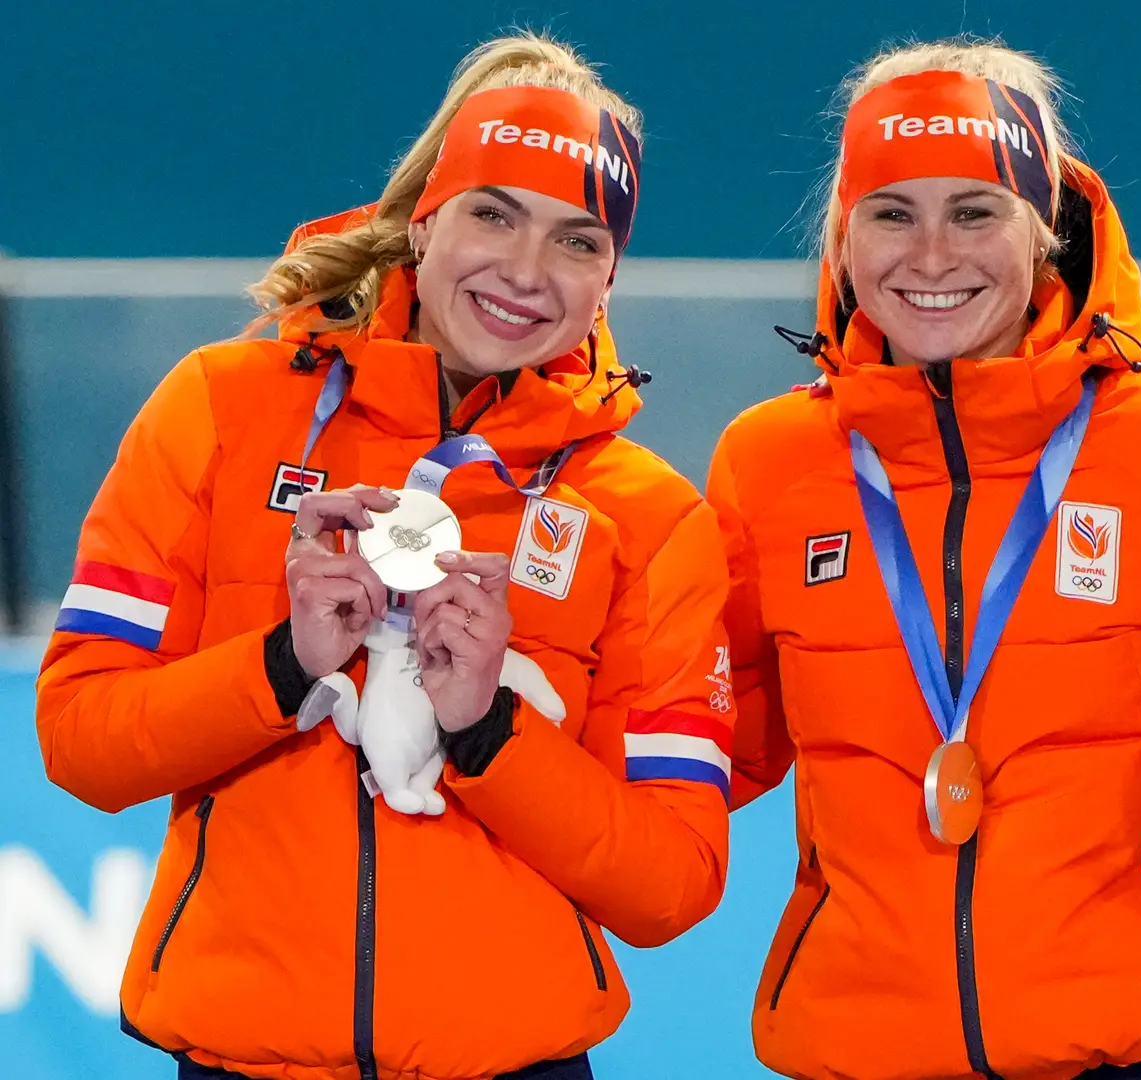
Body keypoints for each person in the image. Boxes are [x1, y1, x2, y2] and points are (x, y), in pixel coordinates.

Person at [36, 34, 731, 1080]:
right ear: (424, 220)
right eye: (493, 213)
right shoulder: (224, 408)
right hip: (242, 1057)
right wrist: (282, 662)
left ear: (610, 277)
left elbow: (671, 885)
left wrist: (486, 726)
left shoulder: (648, 515)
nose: (526, 272)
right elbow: (82, 743)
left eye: (577, 241)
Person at [709, 39, 1141, 1080]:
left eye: (974, 211)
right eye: (891, 213)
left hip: (1136, 1050)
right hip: (862, 1050)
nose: (930, 257)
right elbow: (710, 754)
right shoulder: (768, 463)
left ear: (1046, 229)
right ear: (841, 236)